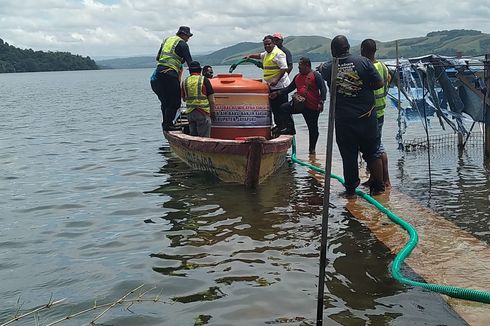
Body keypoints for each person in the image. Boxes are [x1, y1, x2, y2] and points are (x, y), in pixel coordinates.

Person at [318, 35, 385, 197]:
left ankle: (350, 189)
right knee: (372, 151)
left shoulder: (329, 67)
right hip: (366, 116)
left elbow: (320, 71)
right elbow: (379, 83)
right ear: (348, 47)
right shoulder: (364, 62)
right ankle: (378, 187)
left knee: (348, 154)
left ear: (333, 51)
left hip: (344, 120)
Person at [270, 57, 327, 154]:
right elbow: (289, 88)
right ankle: (290, 128)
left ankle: (312, 150)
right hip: (299, 104)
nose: (298, 67)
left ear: (307, 65)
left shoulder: (315, 75)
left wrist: (321, 102)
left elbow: (323, 89)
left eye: (300, 65)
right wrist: (278, 93)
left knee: (313, 128)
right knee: (284, 108)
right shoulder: (297, 77)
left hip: (312, 106)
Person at [361, 38, 392, 188]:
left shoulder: (367, 67)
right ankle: (375, 178)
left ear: (363, 51)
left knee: (376, 147)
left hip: (371, 111)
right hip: (381, 108)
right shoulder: (384, 67)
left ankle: (385, 180)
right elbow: (387, 84)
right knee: (374, 146)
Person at [245, 35, 290, 133]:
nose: (267, 46)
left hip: (280, 86)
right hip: (271, 86)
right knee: (274, 108)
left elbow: (284, 68)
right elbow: (260, 55)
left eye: (269, 44)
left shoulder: (278, 54)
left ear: (274, 43)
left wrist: (276, 80)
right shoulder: (267, 54)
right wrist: (250, 56)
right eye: (265, 44)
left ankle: (284, 127)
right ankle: (279, 126)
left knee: (281, 107)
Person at [152, 26, 193, 132]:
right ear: (184, 35)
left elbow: (158, 58)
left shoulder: (167, 41)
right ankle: (168, 124)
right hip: (170, 73)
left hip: (159, 72)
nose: (188, 39)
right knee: (175, 101)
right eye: (188, 36)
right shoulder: (183, 44)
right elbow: (190, 62)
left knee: (165, 101)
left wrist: (177, 59)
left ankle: (166, 124)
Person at [182, 61, 216, 137]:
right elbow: (212, 100)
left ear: (190, 71)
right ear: (200, 71)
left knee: (193, 136)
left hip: (190, 113)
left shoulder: (185, 81)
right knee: (204, 138)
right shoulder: (204, 80)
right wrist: (213, 112)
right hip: (202, 112)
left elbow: (184, 98)